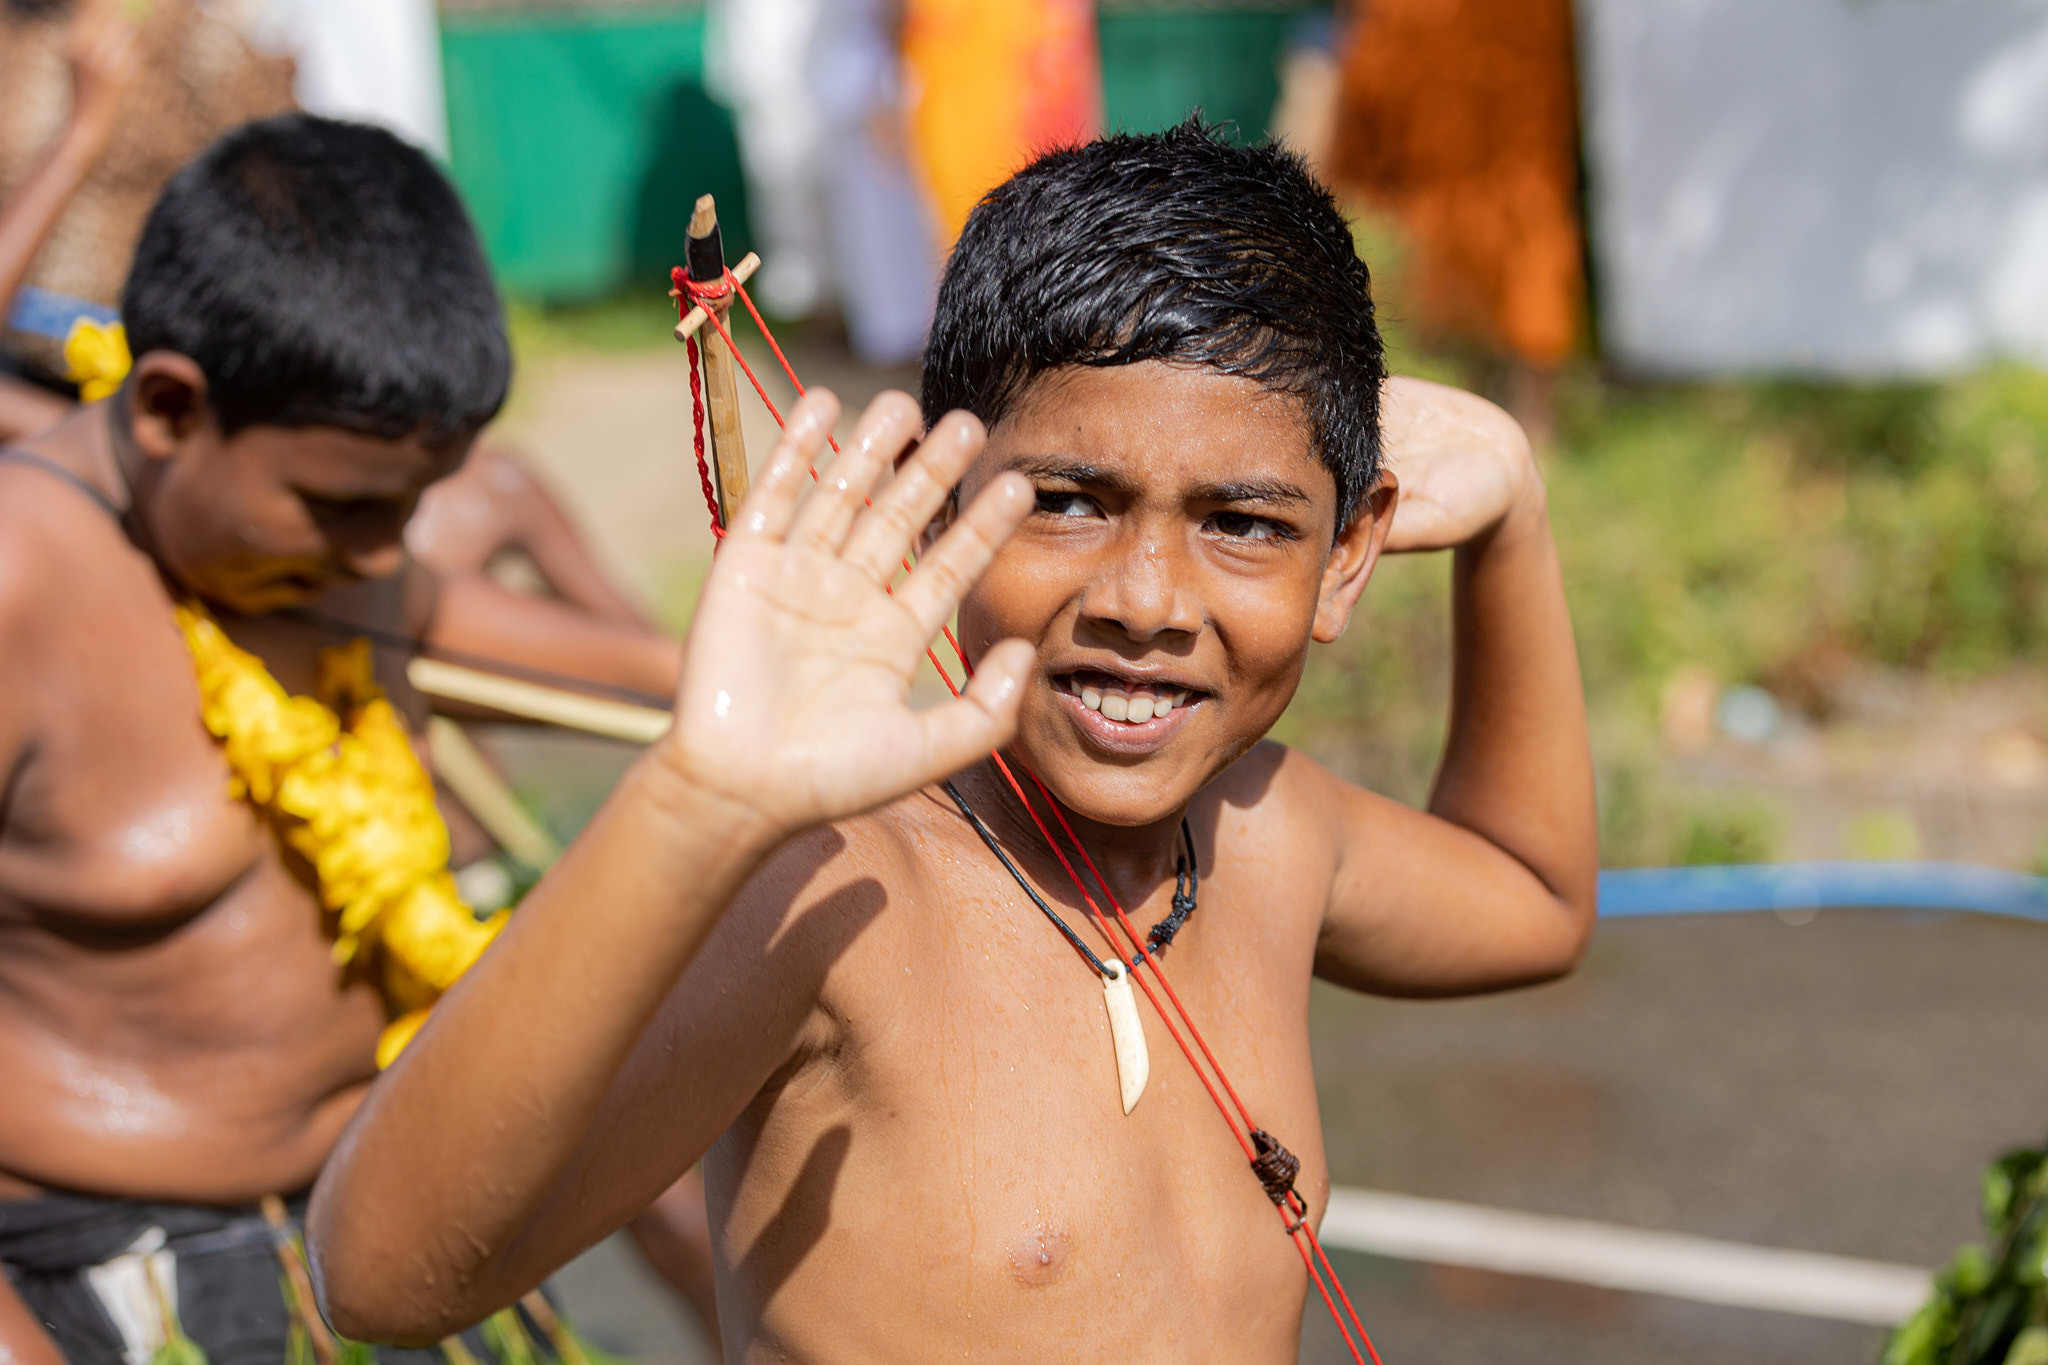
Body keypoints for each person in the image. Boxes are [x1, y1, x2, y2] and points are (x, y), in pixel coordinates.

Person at [308, 122, 1598, 1361]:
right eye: (1065, 502)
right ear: (936, 504)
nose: (1144, 600)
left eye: (1243, 525)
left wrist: (1510, 513)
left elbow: (1533, 904)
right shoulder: (831, 891)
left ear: (1348, 554)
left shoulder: (1273, 829)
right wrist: (696, 802)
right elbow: (380, 1277)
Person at [0, 113, 687, 1365]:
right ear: (166, 409)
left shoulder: (314, 551)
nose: (385, 557)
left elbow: (642, 677)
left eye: (411, 509)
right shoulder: (17, 579)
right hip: (105, 1285)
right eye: (344, 509)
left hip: (377, 1241)